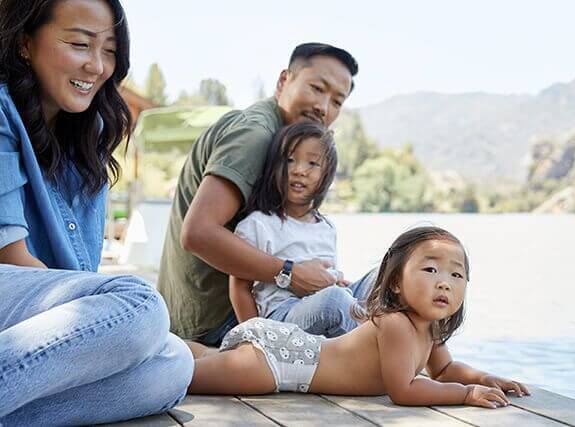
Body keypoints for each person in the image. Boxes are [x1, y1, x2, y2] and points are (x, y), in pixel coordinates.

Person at [0, 1, 193, 424]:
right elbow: (13, 260)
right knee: (141, 304)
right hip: (12, 292)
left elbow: (76, 282)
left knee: (175, 362)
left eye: (109, 51)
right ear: (24, 44)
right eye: (79, 44)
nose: (97, 66)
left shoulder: (87, 136)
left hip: (30, 326)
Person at [186, 226, 531, 407]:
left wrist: (485, 379)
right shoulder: (395, 324)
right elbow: (404, 390)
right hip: (281, 363)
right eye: (430, 269)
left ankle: (184, 346)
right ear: (395, 282)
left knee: (207, 360)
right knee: (184, 377)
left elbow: (443, 371)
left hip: (289, 356)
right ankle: (164, 351)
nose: (444, 283)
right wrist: (465, 394)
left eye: (457, 275)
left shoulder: (430, 329)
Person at [157, 43, 359, 346]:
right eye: (317, 88)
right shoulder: (256, 135)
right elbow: (197, 233)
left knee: (385, 285)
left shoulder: (286, 141)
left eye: (337, 101)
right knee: (347, 311)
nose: (324, 107)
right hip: (218, 321)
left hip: (265, 304)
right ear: (283, 81)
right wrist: (291, 274)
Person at [230, 121, 373, 337]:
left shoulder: (326, 227)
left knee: (388, 276)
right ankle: (371, 340)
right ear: (274, 167)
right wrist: (256, 338)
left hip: (329, 303)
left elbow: (328, 278)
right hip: (283, 317)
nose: (299, 170)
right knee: (335, 300)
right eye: (289, 160)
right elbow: (239, 288)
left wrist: (337, 280)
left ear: (327, 175)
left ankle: (373, 334)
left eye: (312, 163)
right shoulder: (258, 224)